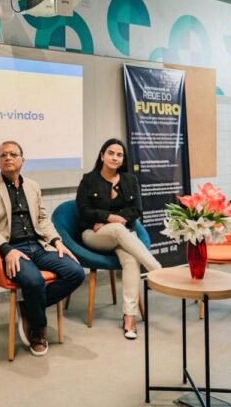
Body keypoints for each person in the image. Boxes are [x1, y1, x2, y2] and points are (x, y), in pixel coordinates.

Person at [0, 141, 84, 356]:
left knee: (76, 272)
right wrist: (6, 249)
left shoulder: (32, 186)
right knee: (34, 281)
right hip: (12, 249)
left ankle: (29, 307)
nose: (8, 157)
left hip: (38, 246)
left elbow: (42, 218)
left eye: (12, 154)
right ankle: (38, 329)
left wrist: (57, 241)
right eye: (3, 155)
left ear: (22, 160)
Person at [76, 138, 161, 340]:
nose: (115, 157)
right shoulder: (89, 179)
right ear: (102, 156)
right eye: (111, 153)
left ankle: (129, 318)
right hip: (94, 236)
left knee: (130, 260)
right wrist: (108, 218)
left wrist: (110, 220)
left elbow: (136, 210)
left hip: (121, 235)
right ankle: (156, 270)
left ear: (123, 159)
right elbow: (83, 210)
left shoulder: (130, 180)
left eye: (119, 154)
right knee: (117, 229)